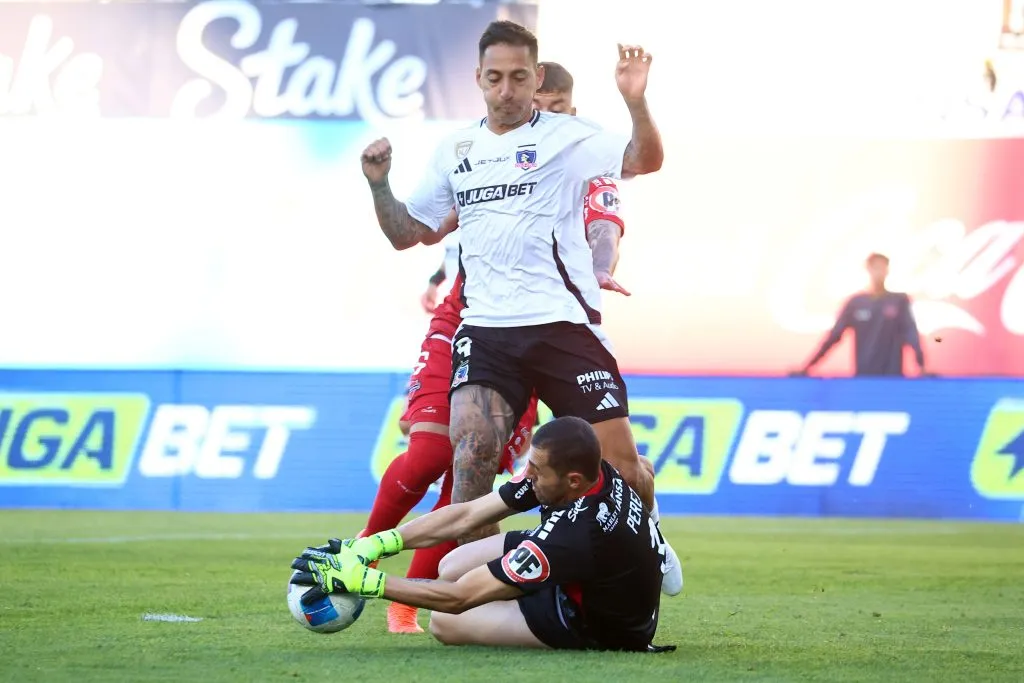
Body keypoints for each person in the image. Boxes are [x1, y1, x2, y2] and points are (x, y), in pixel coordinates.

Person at [360, 21, 681, 594]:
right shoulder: (455, 149)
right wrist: (380, 185)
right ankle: (480, 597)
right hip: (487, 332)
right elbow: (409, 233)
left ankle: (648, 535)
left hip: (562, 327)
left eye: (517, 77)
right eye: (494, 78)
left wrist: (635, 101)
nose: (505, 90)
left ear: (536, 78)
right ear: (478, 79)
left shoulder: (569, 136)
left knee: (622, 470)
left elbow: (645, 160)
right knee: (471, 461)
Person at [291, 417, 675, 653]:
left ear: (573, 480)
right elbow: (468, 515)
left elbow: (458, 599)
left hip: (601, 624)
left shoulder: (572, 536)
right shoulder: (588, 473)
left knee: (444, 623)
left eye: (537, 471)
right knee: (451, 563)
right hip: (594, 573)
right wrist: (376, 543)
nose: (527, 475)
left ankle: (548, 610)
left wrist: (366, 582)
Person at [796, 252, 928, 377]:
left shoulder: (899, 301)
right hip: (864, 376)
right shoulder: (855, 303)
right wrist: (808, 367)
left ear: (887, 271)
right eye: (875, 267)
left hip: (892, 376)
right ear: (868, 269)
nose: (878, 272)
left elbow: (911, 333)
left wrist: (921, 365)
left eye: (882, 268)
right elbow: (834, 336)